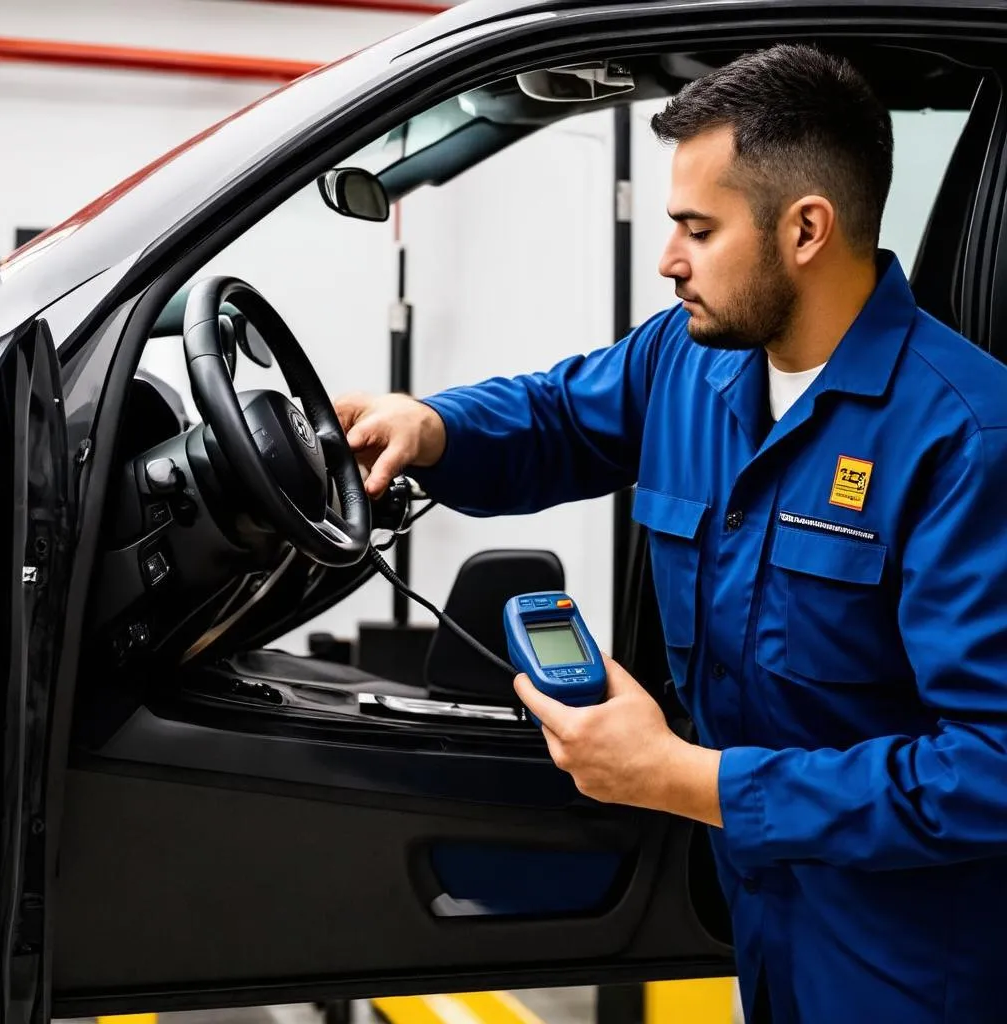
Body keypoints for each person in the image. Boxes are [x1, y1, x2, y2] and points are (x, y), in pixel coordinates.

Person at [335, 44, 1007, 1023]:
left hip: (912, 955)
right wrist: (431, 426)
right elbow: (560, 417)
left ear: (805, 229)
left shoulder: (964, 436)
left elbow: (989, 767)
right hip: (760, 905)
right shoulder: (690, 363)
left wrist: (688, 779)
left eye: (697, 228)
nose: (667, 260)